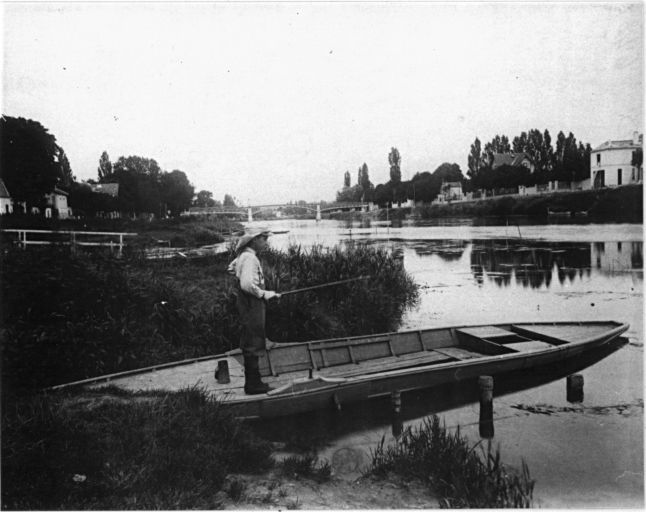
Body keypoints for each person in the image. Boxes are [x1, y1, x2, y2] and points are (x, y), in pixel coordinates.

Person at [227, 227, 281, 394]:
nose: (266, 242)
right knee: (254, 339)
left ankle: (254, 381)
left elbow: (231, 268)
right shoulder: (250, 258)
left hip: (246, 302)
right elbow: (247, 285)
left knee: (252, 337)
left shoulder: (243, 256)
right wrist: (264, 294)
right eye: (264, 238)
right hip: (252, 303)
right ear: (254, 240)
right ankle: (253, 385)